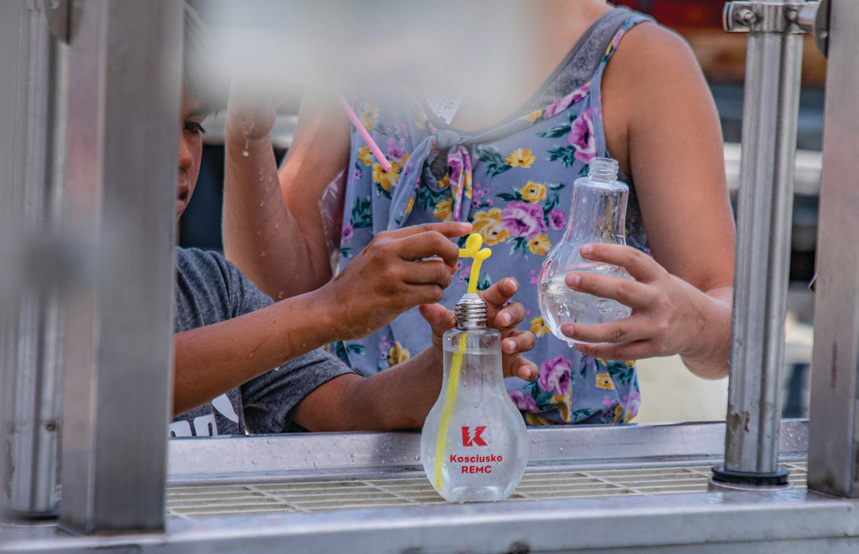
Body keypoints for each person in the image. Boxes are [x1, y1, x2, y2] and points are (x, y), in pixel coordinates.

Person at [222, 1, 735, 425]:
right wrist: (248, 136)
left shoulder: (637, 61)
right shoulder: (363, 55)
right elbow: (281, 299)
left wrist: (689, 322)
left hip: (560, 471)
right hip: (362, 446)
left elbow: (730, 319)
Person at [171, 5, 537, 437]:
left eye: (193, 125)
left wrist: (447, 364)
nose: (182, 155)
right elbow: (114, 383)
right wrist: (334, 308)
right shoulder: (71, 289)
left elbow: (349, 408)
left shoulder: (214, 288)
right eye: (151, 122)